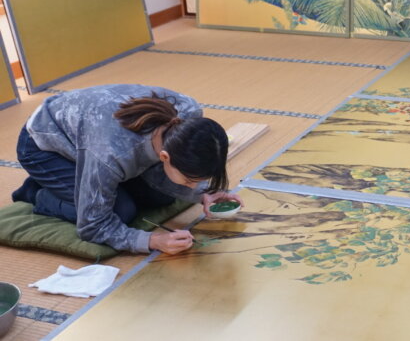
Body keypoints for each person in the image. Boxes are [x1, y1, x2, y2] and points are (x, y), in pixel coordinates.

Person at [11, 84, 242, 255]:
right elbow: (93, 226)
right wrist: (152, 241)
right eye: (191, 179)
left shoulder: (189, 115)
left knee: (162, 196)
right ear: (164, 156)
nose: (194, 184)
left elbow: (158, 165)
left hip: (92, 138)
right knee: (121, 211)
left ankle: (84, 183)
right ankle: (37, 193)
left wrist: (204, 193)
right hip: (43, 146)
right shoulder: (111, 153)